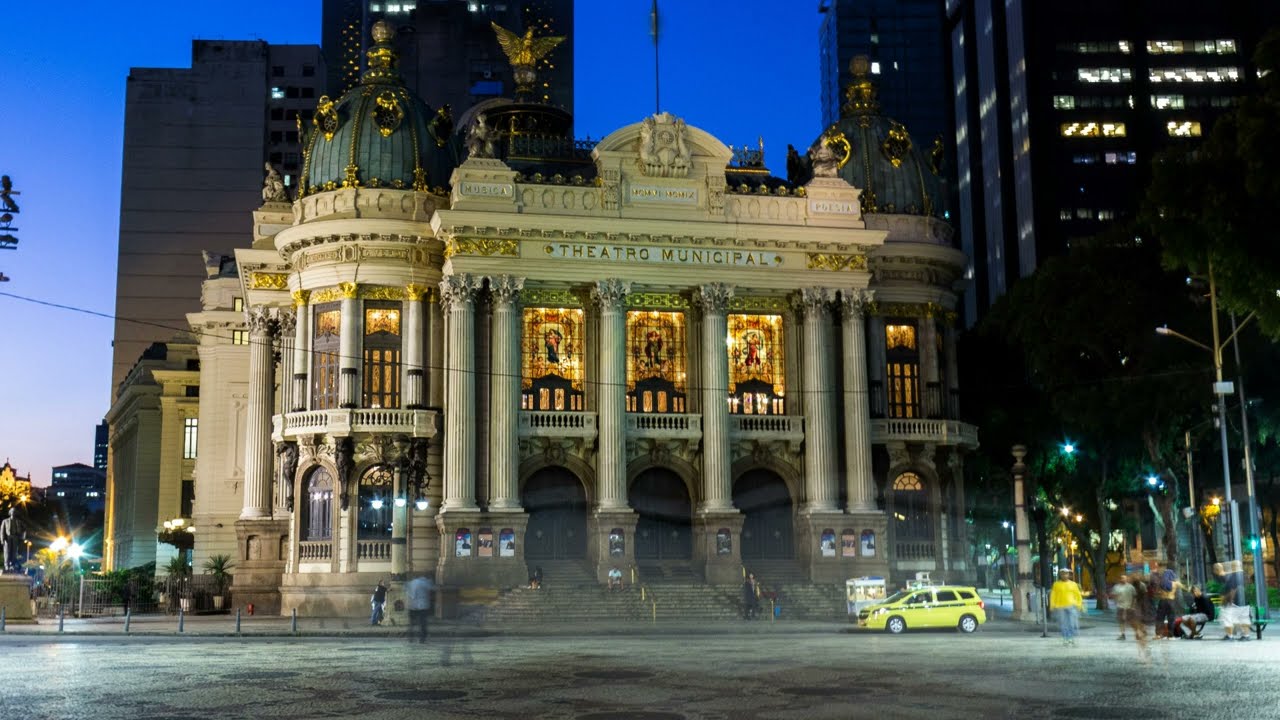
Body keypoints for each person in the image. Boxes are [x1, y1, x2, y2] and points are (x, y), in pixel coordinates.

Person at [1215, 561, 1249, 641]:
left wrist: (1228, 599)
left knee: (1227, 618)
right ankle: (1245, 635)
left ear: (1235, 566)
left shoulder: (1235, 575)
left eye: (1233, 565)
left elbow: (1233, 589)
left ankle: (1230, 636)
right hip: (1243, 601)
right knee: (1242, 619)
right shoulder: (1243, 575)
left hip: (1235, 601)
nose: (1232, 567)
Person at [1049, 569, 1084, 645]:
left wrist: (1079, 605)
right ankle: (1066, 638)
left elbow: (1078, 595)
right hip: (1060, 607)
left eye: (1066, 574)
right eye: (1062, 574)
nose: (1064, 575)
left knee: (1072, 623)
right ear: (1060, 575)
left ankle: (1071, 637)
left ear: (1069, 575)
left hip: (1072, 606)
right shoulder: (1056, 584)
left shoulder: (1073, 584)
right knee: (1063, 624)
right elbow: (1053, 595)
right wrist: (1052, 605)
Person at [1150, 562, 1181, 639]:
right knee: (1171, 619)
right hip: (1171, 601)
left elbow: (1156, 590)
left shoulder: (1161, 582)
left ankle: (1158, 635)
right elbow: (1184, 588)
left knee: (1160, 618)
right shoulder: (1175, 583)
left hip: (1163, 601)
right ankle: (1170, 636)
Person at [405, 574, 435, 644]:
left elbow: (408, 591)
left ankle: (410, 637)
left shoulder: (411, 583)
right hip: (422, 606)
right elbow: (432, 588)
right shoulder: (424, 582)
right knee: (422, 623)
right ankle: (422, 638)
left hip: (412, 606)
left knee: (412, 623)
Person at [1111, 574, 1136, 640]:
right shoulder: (1116, 587)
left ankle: (1137, 633)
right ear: (1120, 579)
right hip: (1120, 606)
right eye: (1122, 578)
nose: (1123, 579)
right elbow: (1114, 595)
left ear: (1127, 579)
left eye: (1124, 578)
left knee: (1131, 621)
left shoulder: (1131, 587)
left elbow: (1134, 597)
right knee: (1121, 621)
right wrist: (1115, 601)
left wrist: (1133, 606)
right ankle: (1122, 634)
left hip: (1129, 606)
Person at [0, 507, 23, 573]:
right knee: (7, 552)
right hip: (7, 538)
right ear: (10, 512)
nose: (13, 512)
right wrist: (2, 540)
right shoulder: (5, 521)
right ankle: (6, 565)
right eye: (12, 511)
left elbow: (22, 530)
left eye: (14, 511)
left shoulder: (18, 521)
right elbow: (2, 531)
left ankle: (12, 565)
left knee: (14, 553)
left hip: (15, 537)